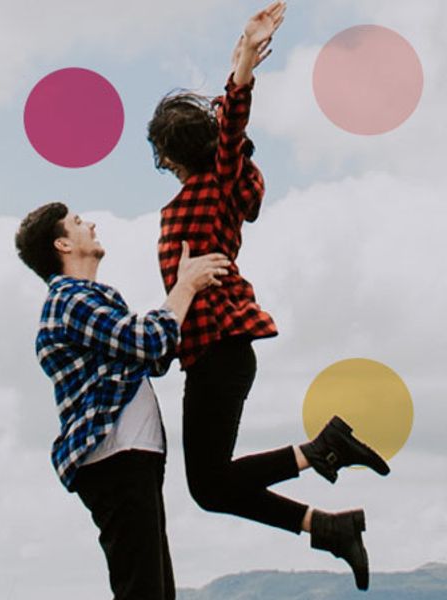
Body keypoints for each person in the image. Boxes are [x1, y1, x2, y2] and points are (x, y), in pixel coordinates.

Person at [147, 0, 389, 590]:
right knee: (210, 486)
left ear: (172, 155)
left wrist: (244, 67)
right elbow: (227, 126)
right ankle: (328, 517)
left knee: (208, 486)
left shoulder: (216, 183)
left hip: (222, 349)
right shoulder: (204, 192)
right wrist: (238, 60)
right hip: (212, 354)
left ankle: (325, 461)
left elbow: (232, 124)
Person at [15, 201, 230, 600]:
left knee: (154, 591)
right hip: (116, 458)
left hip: (130, 457)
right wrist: (185, 286)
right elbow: (147, 341)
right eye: (78, 222)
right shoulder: (70, 300)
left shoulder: (93, 301)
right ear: (63, 244)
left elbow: (151, 355)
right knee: (142, 591)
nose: (91, 224)